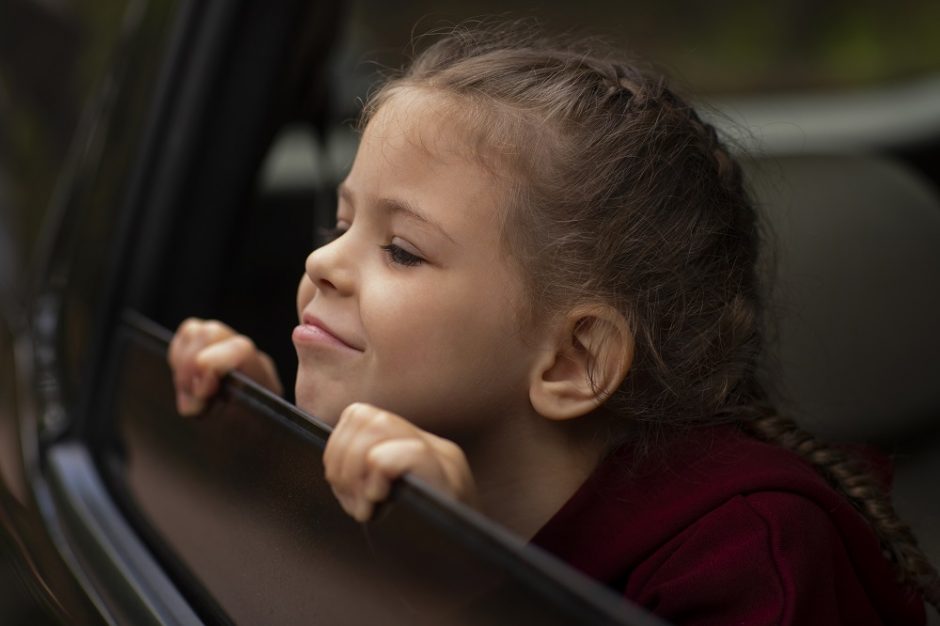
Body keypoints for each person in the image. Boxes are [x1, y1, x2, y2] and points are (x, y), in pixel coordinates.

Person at [167, 21, 938, 625]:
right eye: (341, 222)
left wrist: (460, 589)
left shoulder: (752, 561)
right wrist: (266, 464)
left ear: (572, 362)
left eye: (400, 250)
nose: (324, 262)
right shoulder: (401, 481)